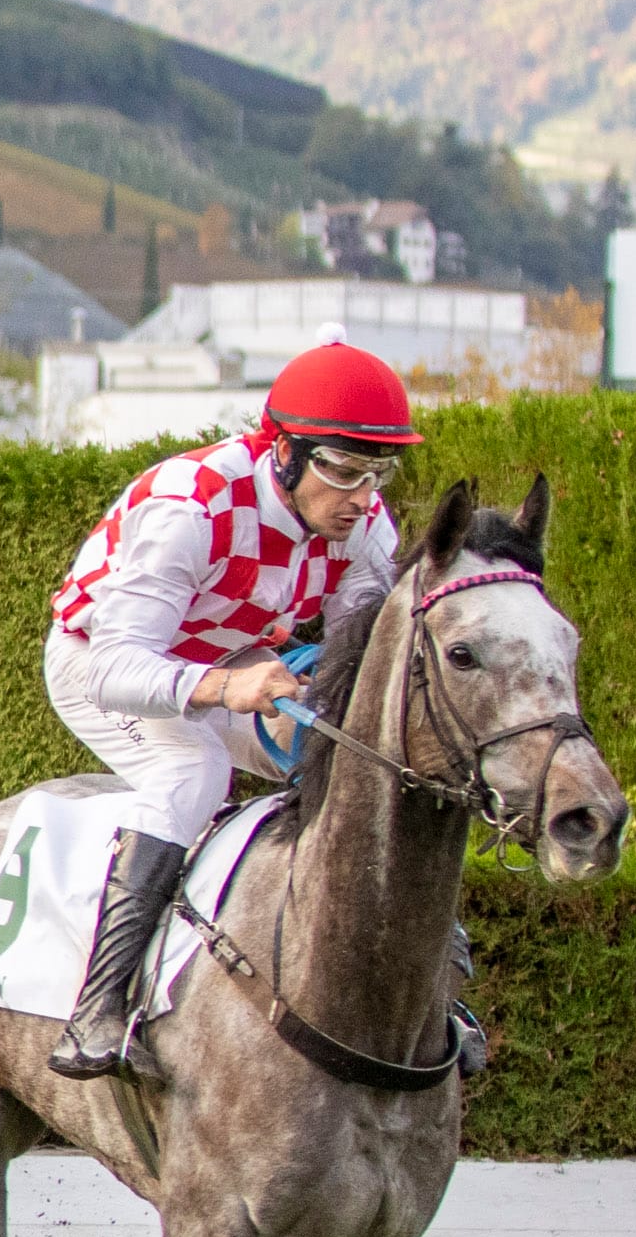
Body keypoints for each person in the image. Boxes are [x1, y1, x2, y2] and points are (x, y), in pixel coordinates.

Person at [42, 329, 411, 1079]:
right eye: (342, 472)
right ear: (285, 451)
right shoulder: (193, 506)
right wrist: (224, 688)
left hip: (224, 662)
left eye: (378, 474)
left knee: (355, 766)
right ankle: (97, 1009)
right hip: (99, 661)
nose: (362, 499)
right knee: (194, 770)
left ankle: (431, 985)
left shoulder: (366, 528)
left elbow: (355, 664)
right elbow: (118, 665)